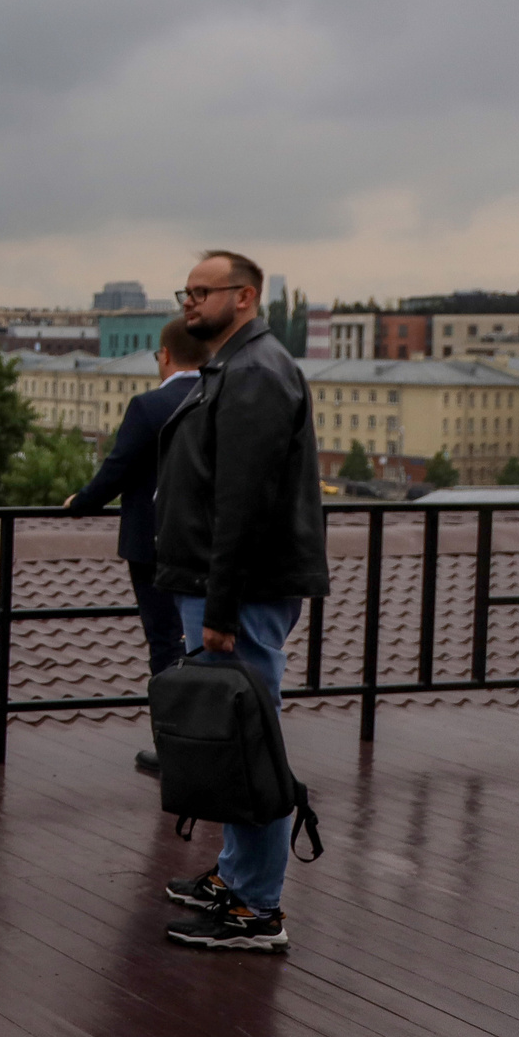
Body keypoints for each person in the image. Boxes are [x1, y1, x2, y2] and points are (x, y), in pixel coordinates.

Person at [152, 249, 329, 953]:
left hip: (238, 592)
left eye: (204, 291)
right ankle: (238, 877)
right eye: (186, 291)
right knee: (235, 737)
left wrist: (221, 608)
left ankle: (257, 906)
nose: (191, 302)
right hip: (225, 586)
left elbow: (243, 503)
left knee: (247, 737)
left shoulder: (254, 372)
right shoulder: (236, 364)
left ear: (246, 297)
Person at [64, 316, 212, 773]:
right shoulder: (220, 398)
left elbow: (117, 469)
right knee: (208, 643)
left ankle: (175, 747)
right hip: (210, 542)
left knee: (166, 643)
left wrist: (80, 503)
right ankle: (216, 738)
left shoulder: (150, 405)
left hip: (153, 545)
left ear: (164, 356)